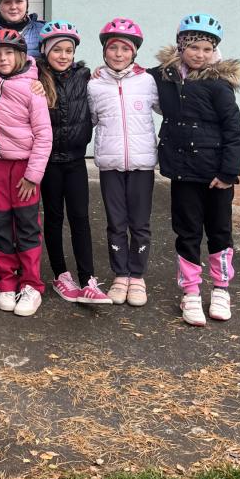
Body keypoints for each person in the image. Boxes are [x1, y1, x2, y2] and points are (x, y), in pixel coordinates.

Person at [150, 13, 240, 327]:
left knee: (219, 231)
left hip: (216, 176)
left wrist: (229, 173)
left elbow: (234, 131)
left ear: (214, 51)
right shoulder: (166, 77)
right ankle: (190, 291)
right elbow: (134, 75)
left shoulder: (219, 85)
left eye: (207, 49)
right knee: (187, 232)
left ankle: (220, 289)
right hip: (183, 173)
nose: (200, 55)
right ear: (181, 47)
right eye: (193, 48)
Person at [0, 29, 52, 316]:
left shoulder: (32, 89)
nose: (3, 58)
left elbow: (44, 135)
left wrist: (33, 175)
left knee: (27, 225)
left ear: (21, 56)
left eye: (9, 53)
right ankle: (6, 279)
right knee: (1, 223)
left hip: (24, 167)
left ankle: (31, 284)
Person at [36, 20, 110, 306]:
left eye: (69, 50)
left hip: (76, 161)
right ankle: (61, 275)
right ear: (45, 51)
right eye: (57, 50)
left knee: (80, 218)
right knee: (54, 218)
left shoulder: (85, 76)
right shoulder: (36, 77)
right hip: (49, 163)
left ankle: (87, 278)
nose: (63, 55)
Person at [88, 18, 159, 306]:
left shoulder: (148, 81)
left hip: (142, 164)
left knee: (140, 224)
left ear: (135, 52)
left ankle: (137, 276)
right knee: (116, 223)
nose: (118, 54)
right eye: (113, 48)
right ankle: (121, 275)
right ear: (104, 51)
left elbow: (170, 106)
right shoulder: (94, 84)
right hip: (110, 164)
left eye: (125, 49)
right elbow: (89, 119)